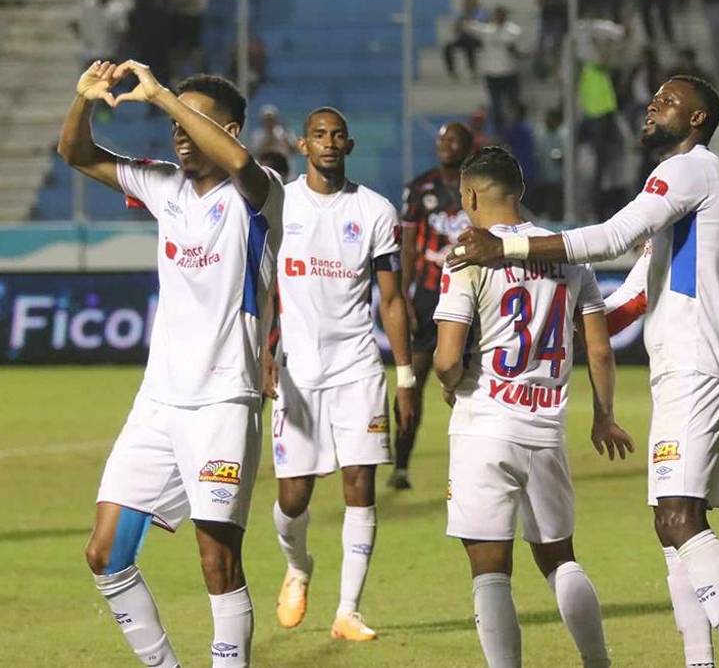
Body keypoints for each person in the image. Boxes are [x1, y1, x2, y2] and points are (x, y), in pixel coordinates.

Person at [447, 76, 719, 668]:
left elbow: (611, 237)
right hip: (684, 363)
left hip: (696, 361)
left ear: (697, 120)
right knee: (670, 526)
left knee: (680, 518)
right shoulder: (681, 199)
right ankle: (698, 659)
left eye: (668, 102)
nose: (653, 106)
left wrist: (507, 251)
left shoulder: (689, 169)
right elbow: (629, 303)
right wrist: (543, 334)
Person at [58, 60, 284, 668]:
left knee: (217, 560)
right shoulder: (163, 186)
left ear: (232, 130)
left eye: (194, 122)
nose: (179, 133)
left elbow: (237, 164)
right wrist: (83, 100)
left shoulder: (259, 193)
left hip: (223, 403)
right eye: (174, 124)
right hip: (158, 403)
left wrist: (160, 96)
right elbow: (77, 154)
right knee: (106, 554)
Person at [434, 146, 630, 668]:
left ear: (471, 194)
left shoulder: (468, 256)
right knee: (560, 559)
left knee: (490, 571)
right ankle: (598, 662)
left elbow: (448, 357)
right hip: (545, 428)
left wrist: (449, 381)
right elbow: (600, 348)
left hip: (485, 423)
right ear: (519, 192)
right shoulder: (566, 252)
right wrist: (603, 415)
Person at [264, 107, 414, 642]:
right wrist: (263, 351)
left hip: (357, 369)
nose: (328, 143)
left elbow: (391, 299)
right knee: (293, 498)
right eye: (319, 136)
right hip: (298, 373)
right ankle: (299, 565)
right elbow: (261, 287)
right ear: (304, 145)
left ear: (349, 146)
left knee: (360, 483)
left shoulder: (374, 210)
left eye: (337, 136)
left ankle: (348, 610)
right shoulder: (279, 203)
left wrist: (405, 376)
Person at [392, 122, 474, 490]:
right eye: (442, 140)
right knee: (414, 378)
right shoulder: (419, 188)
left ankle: (472, 461)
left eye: (453, 140)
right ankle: (401, 464)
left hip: (471, 295)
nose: (446, 145)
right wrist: (404, 296)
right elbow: (407, 246)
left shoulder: (480, 189)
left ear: (468, 147)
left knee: (472, 381)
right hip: (427, 296)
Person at [464, 6, 522, 131]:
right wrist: (469, 11)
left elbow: (518, 47)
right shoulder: (488, 30)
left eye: (501, 14)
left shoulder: (513, 30)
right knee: (496, 106)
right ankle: (499, 130)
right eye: (496, 15)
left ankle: (515, 128)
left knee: (513, 103)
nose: (498, 17)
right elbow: (469, 26)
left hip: (508, 73)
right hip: (492, 74)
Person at [443, 0, 486, 79]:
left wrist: (469, 25)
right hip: (463, 38)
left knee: (470, 44)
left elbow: (483, 27)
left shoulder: (481, 13)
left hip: (477, 39)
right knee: (448, 47)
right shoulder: (461, 14)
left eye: (471, 2)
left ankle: (473, 70)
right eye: (467, 3)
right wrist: (459, 26)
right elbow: (455, 29)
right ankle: (452, 71)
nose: (469, 5)